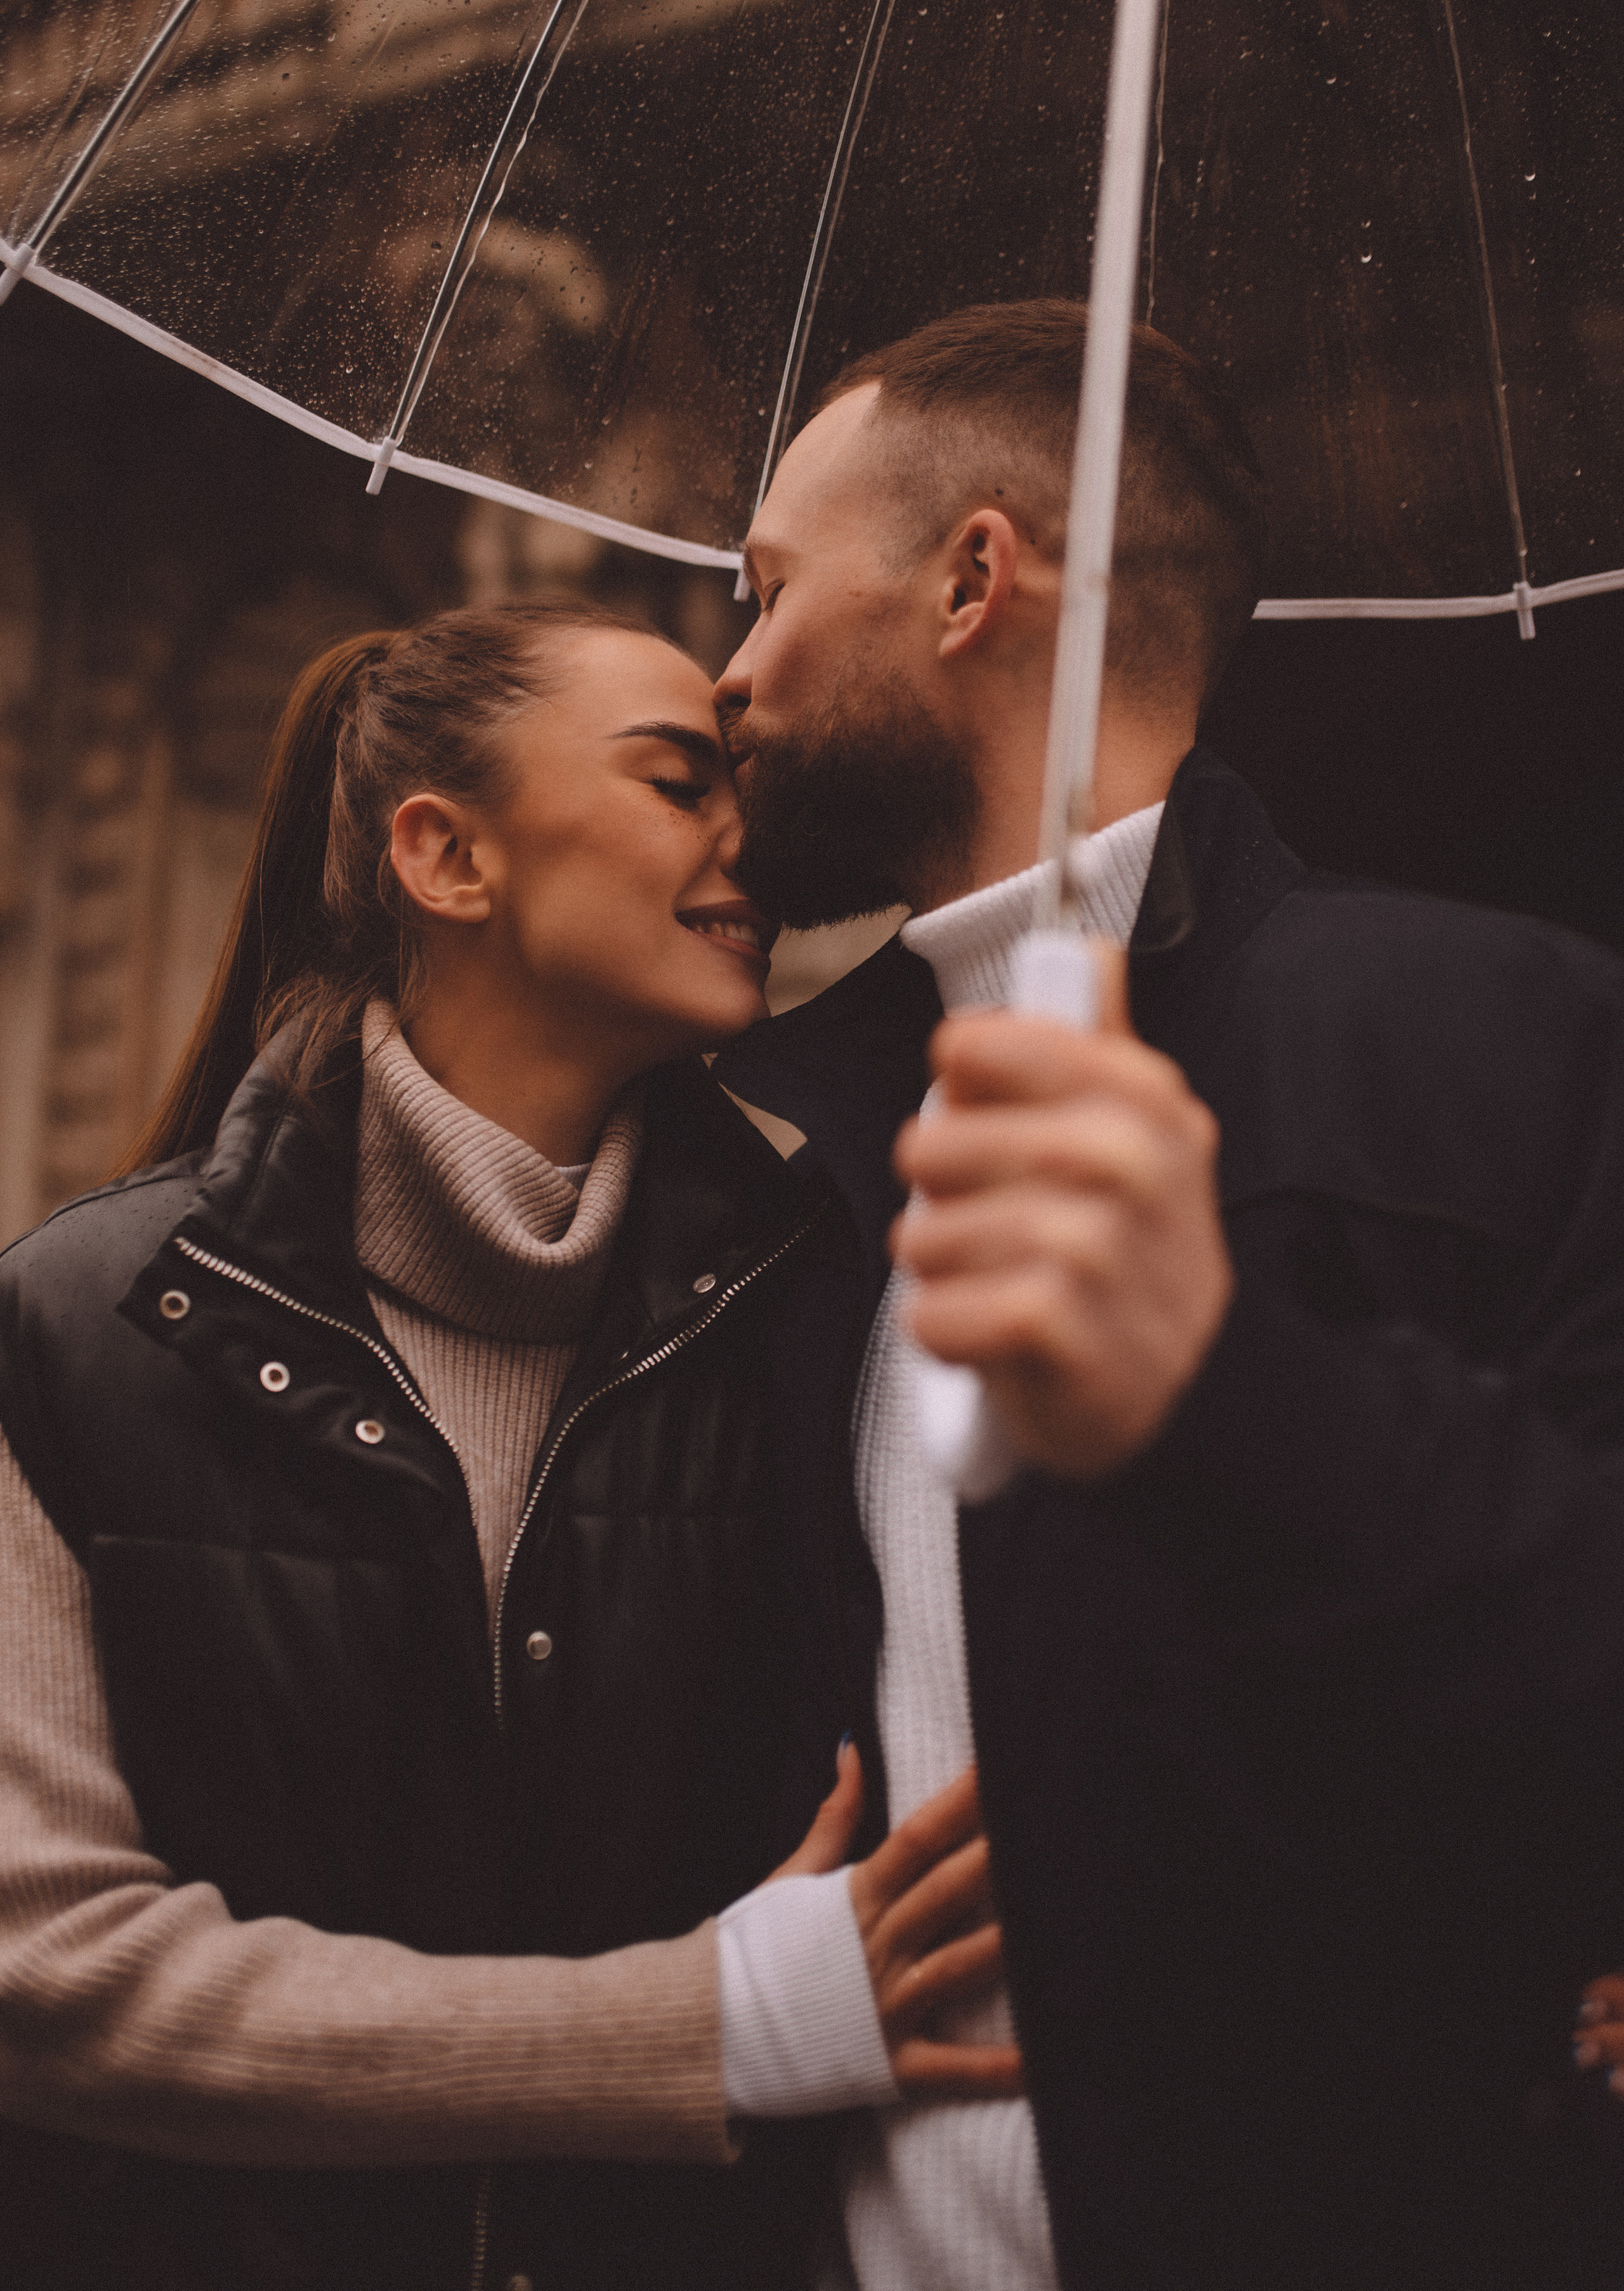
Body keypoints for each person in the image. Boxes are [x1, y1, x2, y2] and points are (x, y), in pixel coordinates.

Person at [712, 299, 1624, 2290]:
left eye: (772, 589)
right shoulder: (766, 1149)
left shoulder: (1505, 1044)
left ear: (973, 578)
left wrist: (1228, 1388)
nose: (733, 672)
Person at [0, 600, 1019, 2291]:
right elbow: (39, 1962)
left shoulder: (820, 1308)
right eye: (676, 780)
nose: (744, 836)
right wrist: (704, 2028)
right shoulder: (87, 1330)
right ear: (446, 854)